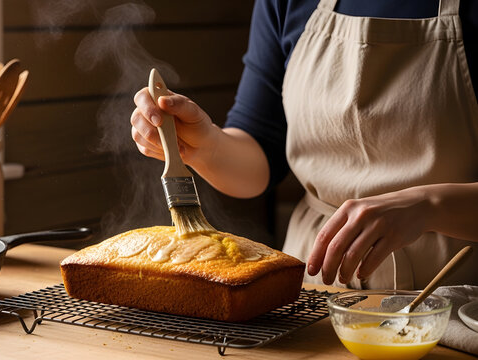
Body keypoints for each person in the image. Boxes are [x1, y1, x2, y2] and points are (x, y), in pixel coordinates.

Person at [130, 0, 478, 290]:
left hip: (452, 292)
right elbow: (259, 156)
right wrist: (200, 145)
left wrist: (429, 205)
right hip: (310, 286)